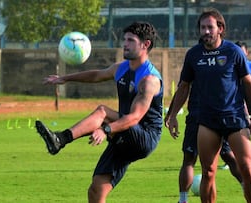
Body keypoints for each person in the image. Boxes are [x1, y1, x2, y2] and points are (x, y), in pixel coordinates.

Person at [35, 21, 163, 203]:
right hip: (124, 131)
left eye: (130, 40)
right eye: (124, 39)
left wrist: (106, 130)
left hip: (144, 136)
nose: (124, 44)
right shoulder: (121, 68)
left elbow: (135, 117)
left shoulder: (149, 79)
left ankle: (60, 139)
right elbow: (96, 75)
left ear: (146, 44)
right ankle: (59, 140)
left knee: (103, 111)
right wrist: (65, 79)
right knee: (96, 191)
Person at [165, 8, 251, 203]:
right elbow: (184, 86)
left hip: (234, 118)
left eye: (210, 27)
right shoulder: (193, 54)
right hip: (207, 121)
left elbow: (249, 84)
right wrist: (173, 114)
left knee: (246, 167)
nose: (206, 31)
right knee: (208, 172)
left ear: (220, 29)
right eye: (203, 27)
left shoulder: (233, 52)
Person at [165, 46, 241, 203]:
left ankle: (183, 200)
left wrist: (171, 114)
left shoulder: (195, 57)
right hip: (218, 116)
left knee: (189, 160)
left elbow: (182, 88)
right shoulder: (219, 60)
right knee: (227, 158)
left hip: (201, 116)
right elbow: (183, 88)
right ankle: (246, 186)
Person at [219, 41, 251, 169]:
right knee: (232, 132)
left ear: (246, 52)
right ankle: (230, 160)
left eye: (242, 50)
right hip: (235, 105)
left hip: (250, 104)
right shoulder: (229, 66)